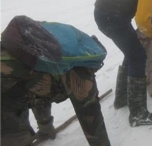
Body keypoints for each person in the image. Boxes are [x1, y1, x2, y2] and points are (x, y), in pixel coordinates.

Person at [1, 17, 110, 146]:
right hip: (7, 81)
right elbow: (90, 118)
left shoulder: (53, 54)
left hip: (12, 71)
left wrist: (45, 127)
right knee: (11, 119)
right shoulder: (79, 73)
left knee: (27, 91)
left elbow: (38, 95)